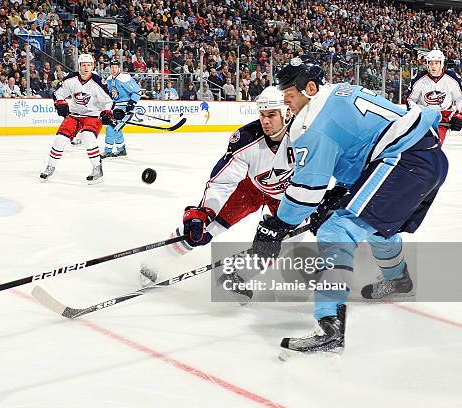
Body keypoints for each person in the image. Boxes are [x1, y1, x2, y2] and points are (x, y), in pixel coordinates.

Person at [252, 55, 448, 357]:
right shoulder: (340, 92)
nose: (287, 103)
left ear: (311, 88)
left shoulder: (315, 124)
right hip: (426, 155)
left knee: (336, 229)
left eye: (289, 95)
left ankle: (329, 326)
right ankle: (398, 279)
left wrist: (278, 225)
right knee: (375, 225)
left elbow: (307, 191)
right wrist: (340, 193)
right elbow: (363, 139)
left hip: (403, 162)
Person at [139, 87, 294, 298]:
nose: (265, 121)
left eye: (272, 115)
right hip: (251, 190)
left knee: (278, 240)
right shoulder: (247, 138)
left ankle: (239, 277)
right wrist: (204, 212)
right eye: (262, 115)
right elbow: (222, 182)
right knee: (203, 230)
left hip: (290, 196)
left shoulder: (304, 135)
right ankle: (157, 261)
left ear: (286, 113)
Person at [39, 54, 113, 184]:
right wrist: (61, 103)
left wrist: (107, 112)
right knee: (59, 139)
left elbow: (108, 101)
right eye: (83, 65)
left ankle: (97, 169)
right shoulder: (71, 79)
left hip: (92, 115)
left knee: (87, 137)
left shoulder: (97, 82)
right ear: (79, 66)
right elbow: (58, 93)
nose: (86, 68)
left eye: (89, 65)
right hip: (74, 115)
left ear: (92, 66)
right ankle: (50, 166)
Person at [407, 49, 462, 143]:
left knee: (434, 145)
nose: (433, 66)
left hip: (443, 118)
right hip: (424, 118)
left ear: (442, 64)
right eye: (431, 63)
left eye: (437, 63)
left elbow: (459, 98)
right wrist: (416, 113)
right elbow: (410, 99)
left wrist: (459, 114)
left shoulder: (452, 78)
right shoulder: (419, 78)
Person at [103, 60, 141, 158]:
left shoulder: (124, 78)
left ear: (119, 68)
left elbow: (137, 91)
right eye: (112, 67)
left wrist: (131, 103)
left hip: (125, 109)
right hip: (116, 109)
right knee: (116, 128)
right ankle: (121, 150)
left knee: (111, 128)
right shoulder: (109, 79)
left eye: (115, 67)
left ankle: (108, 151)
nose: (113, 69)